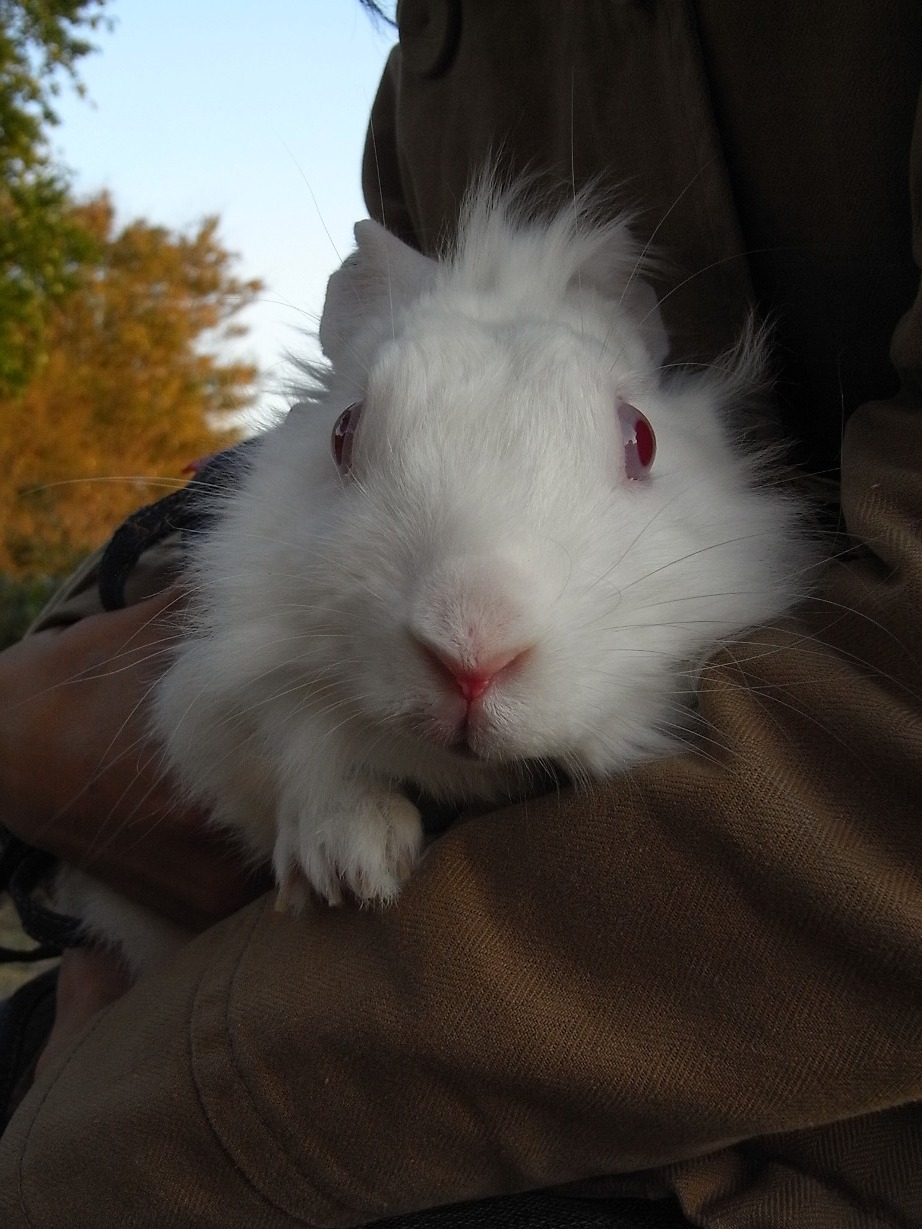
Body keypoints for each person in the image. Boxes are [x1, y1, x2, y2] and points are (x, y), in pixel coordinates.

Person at [1, 2, 921, 1225]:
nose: (472, 638)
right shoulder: (438, 76)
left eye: (627, 443)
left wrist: (103, 1123)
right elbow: (183, 629)